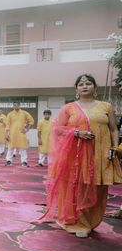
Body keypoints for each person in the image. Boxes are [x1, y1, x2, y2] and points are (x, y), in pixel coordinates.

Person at [38, 74, 122, 237]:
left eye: (88, 83)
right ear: (76, 89)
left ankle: (91, 221)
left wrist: (114, 147)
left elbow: (113, 129)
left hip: (101, 152)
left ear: (95, 88)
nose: (85, 86)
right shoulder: (69, 108)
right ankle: (78, 221)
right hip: (77, 155)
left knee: (99, 187)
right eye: (81, 84)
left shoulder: (106, 106)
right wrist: (77, 133)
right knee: (79, 187)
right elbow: (57, 129)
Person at [5, 102, 34, 166]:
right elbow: (7, 125)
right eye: (14, 105)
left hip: (21, 133)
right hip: (12, 133)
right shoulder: (10, 114)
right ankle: (9, 161)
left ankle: (24, 161)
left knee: (22, 148)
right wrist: (7, 134)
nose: (15, 106)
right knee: (10, 148)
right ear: (13, 106)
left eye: (17, 105)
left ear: (19, 106)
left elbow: (31, 121)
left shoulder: (24, 113)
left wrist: (27, 129)